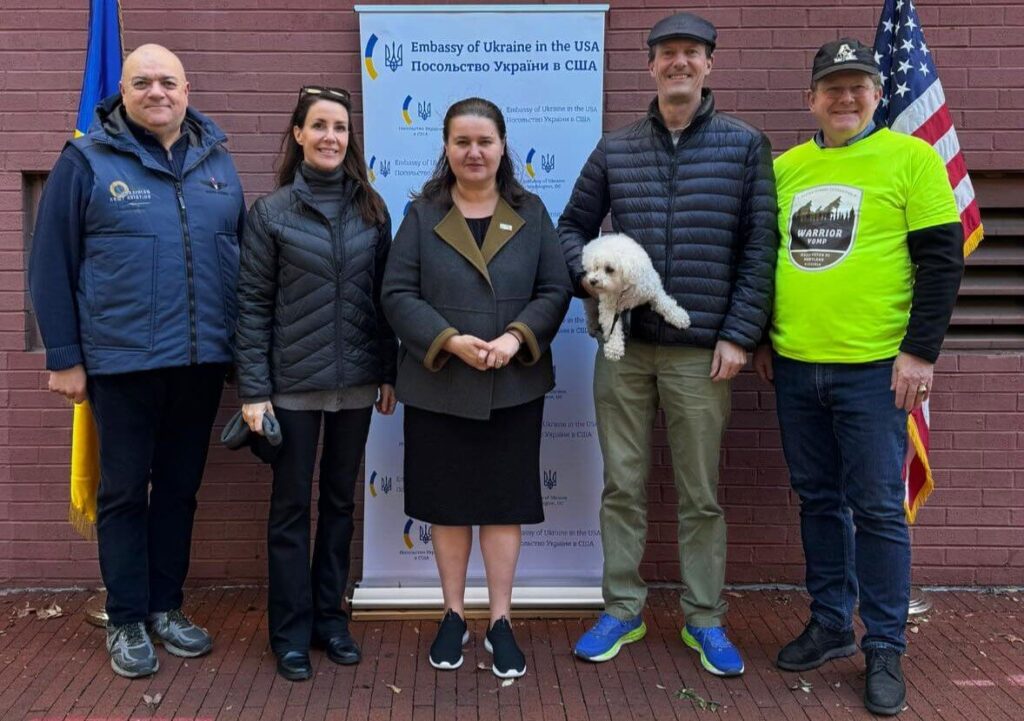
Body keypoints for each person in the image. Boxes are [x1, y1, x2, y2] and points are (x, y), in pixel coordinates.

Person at [558, 12, 778, 676]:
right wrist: (594, 285)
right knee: (622, 485)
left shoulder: (744, 145)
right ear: (649, 65)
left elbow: (759, 247)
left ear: (710, 64)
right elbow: (570, 226)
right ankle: (621, 609)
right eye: (667, 54)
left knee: (700, 492)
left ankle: (704, 619)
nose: (679, 63)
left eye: (692, 53)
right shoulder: (615, 149)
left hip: (700, 351)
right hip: (623, 348)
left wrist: (741, 334)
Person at [753, 39, 964, 716]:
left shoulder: (913, 158)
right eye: (832, 87)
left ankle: (884, 647)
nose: (845, 98)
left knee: (876, 508)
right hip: (795, 365)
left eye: (858, 87)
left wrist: (920, 352)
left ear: (877, 95)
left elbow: (941, 262)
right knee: (817, 498)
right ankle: (830, 623)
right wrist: (761, 337)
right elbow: (763, 259)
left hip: (875, 370)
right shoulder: (786, 168)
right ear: (810, 97)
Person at [28, 44, 245, 678]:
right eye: (143, 81)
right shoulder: (85, 160)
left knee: (180, 490)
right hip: (120, 364)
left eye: (168, 82)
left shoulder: (218, 163)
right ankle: (125, 619)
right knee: (125, 493)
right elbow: (50, 266)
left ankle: (165, 608)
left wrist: (238, 351)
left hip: (200, 361)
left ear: (187, 88)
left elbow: (235, 260)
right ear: (122, 90)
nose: (157, 91)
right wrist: (65, 357)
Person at [382, 97, 571, 679]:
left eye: (484, 141)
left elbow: (554, 289)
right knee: (447, 506)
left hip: (513, 384)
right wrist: (448, 339)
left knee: (502, 505)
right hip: (441, 384)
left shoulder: (532, 210)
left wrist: (516, 337)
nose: (474, 152)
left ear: (502, 145)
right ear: (445, 148)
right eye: (462, 142)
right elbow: (396, 294)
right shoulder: (421, 215)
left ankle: (501, 621)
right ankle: (453, 615)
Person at [233, 85, 397, 682]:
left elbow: (386, 301)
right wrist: (254, 390)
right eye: (320, 126)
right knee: (289, 511)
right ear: (298, 134)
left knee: (339, 505)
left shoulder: (372, 210)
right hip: (291, 389)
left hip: (355, 386)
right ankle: (290, 633)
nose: (331, 136)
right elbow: (250, 306)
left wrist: (387, 371)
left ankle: (331, 620)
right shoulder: (272, 213)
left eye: (341, 128)